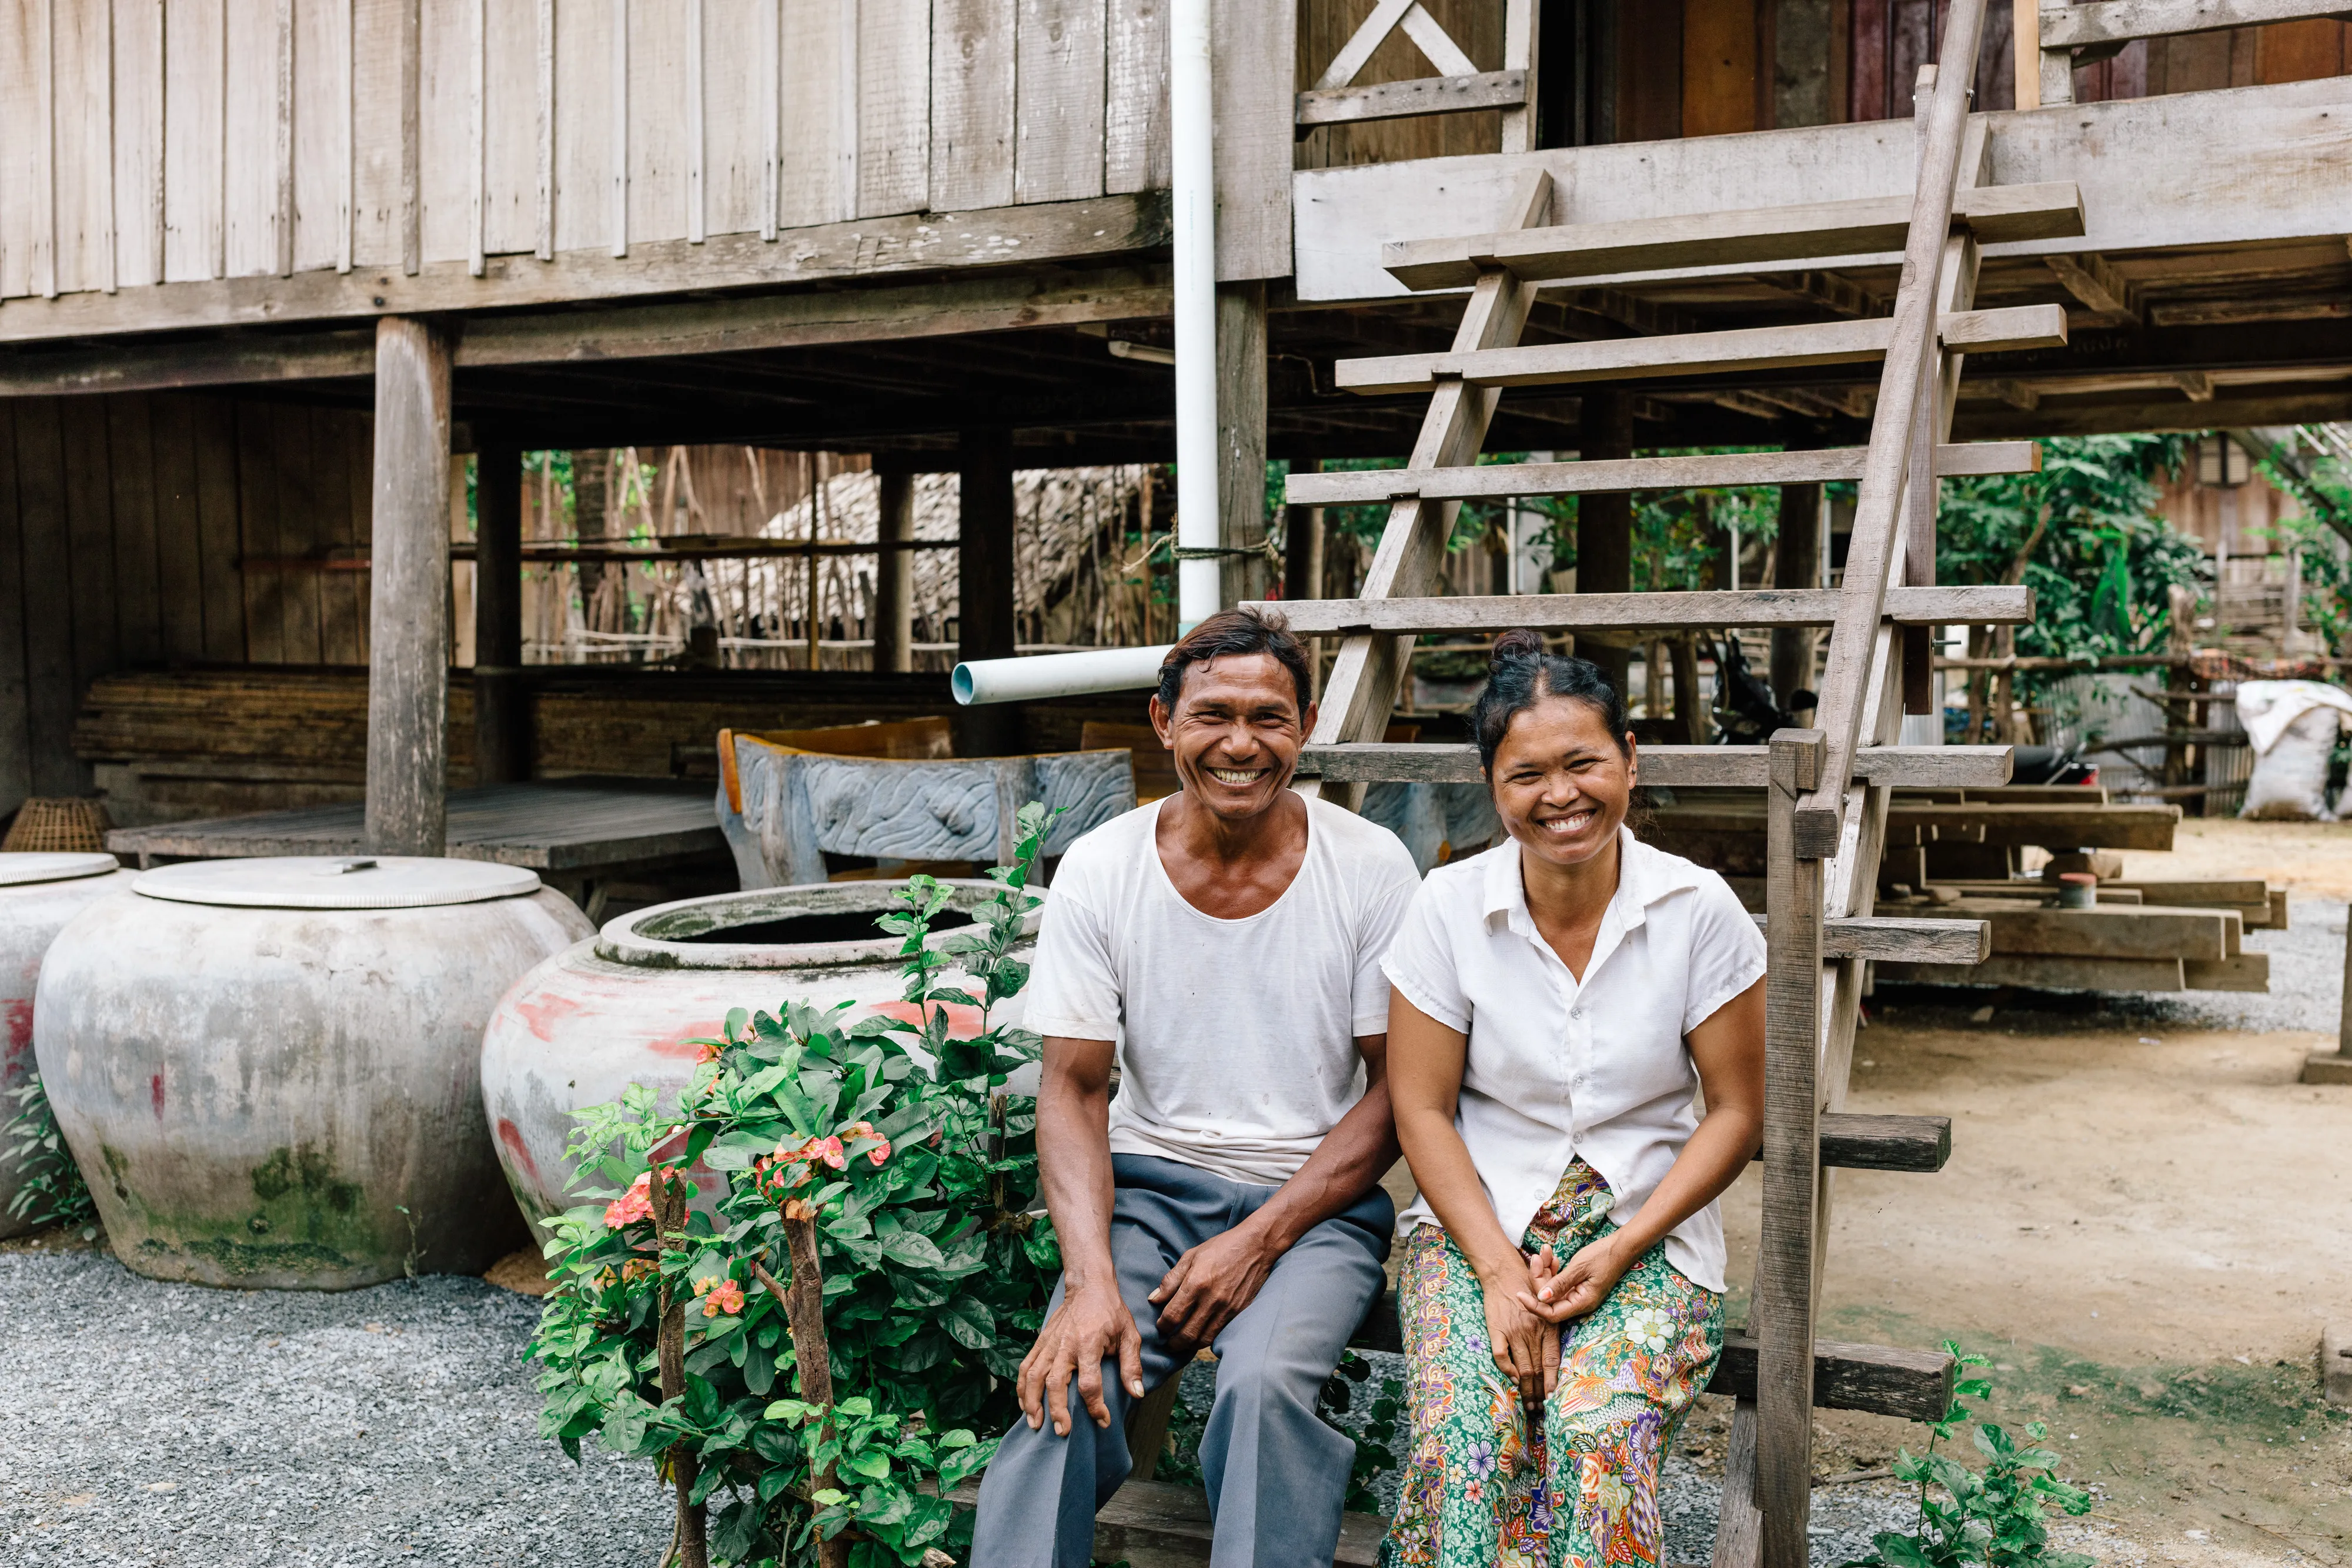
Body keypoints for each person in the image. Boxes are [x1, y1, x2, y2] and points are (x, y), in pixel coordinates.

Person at [971, 607, 1422, 1568]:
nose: (1240, 743)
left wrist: (1257, 1239)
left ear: (1303, 725)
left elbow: (1397, 1093)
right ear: (1163, 722)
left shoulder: (1371, 866)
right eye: (1213, 714)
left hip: (1316, 1206)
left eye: (1270, 716)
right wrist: (1090, 1284)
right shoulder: (1101, 869)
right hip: (1149, 1193)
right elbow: (1075, 1092)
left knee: (1262, 1393)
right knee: (1069, 1383)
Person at [1379, 630, 1768, 1568]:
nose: (1561, 795)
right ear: (1492, 783)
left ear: (1630, 761)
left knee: (1599, 1435)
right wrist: (1499, 1273)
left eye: (1584, 761)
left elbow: (1735, 1112)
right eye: (1527, 774)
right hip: (1479, 1224)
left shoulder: (1697, 909)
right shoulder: (1446, 907)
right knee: (1462, 1442)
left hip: (1647, 1227)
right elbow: (1422, 1109)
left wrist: (1624, 1244)